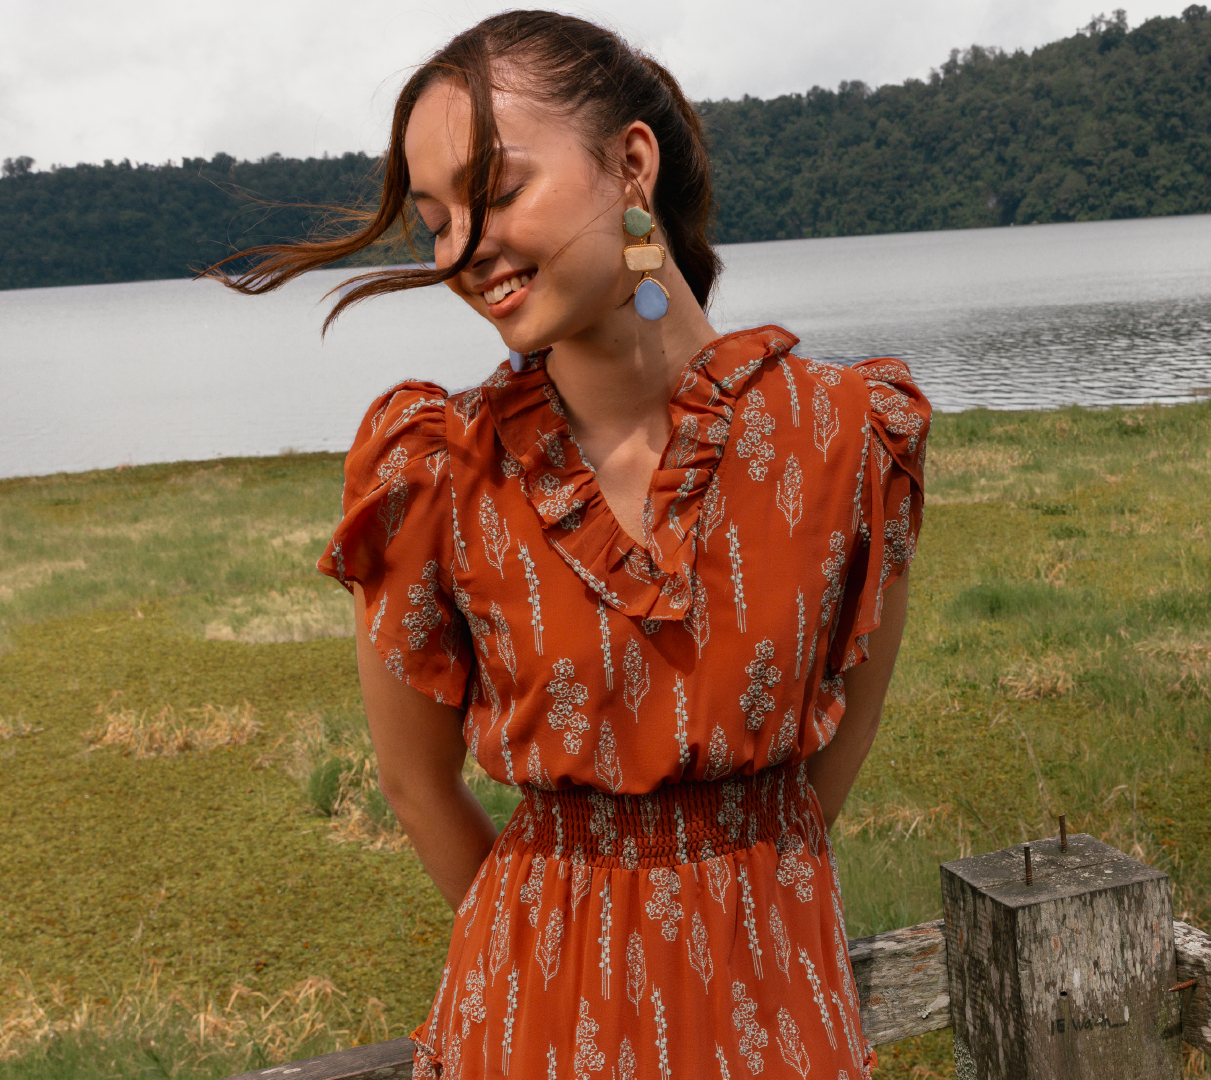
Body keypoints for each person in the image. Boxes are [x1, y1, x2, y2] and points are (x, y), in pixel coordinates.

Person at [214, 12, 927, 1078]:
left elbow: (836, 753)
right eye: (435, 223)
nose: (462, 252)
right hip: (535, 1019)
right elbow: (416, 784)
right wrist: (566, 950)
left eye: (497, 193)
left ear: (631, 164)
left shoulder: (845, 435)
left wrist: (727, 904)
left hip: (780, 1009)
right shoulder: (438, 472)